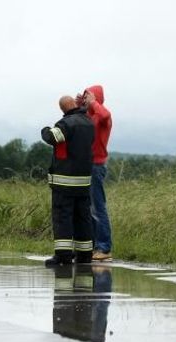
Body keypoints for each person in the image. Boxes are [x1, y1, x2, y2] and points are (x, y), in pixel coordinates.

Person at [41, 96, 95, 266]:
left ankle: (63, 256)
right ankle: (85, 255)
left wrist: (45, 129)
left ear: (63, 109)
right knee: (83, 218)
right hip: (84, 182)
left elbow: (52, 137)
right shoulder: (89, 123)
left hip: (65, 183)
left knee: (63, 218)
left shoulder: (66, 124)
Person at [77, 85, 113, 261]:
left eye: (88, 96)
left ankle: (104, 248)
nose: (85, 99)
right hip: (85, 165)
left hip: (96, 166)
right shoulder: (89, 115)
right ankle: (93, 247)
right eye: (84, 96)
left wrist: (93, 102)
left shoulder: (102, 115)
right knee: (88, 208)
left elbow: (105, 115)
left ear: (96, 97)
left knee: (98, 208)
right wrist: (79, 106)